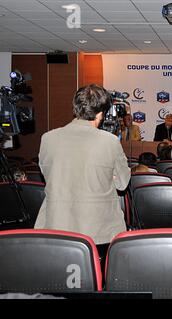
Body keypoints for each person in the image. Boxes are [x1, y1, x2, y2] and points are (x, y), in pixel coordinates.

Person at [34, 84, 130, 265]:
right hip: (99, 230)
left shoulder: (48, 138)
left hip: (56, 223)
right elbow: (122, 183)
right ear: (101, 112)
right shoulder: (109, 141)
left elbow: (49, 176)